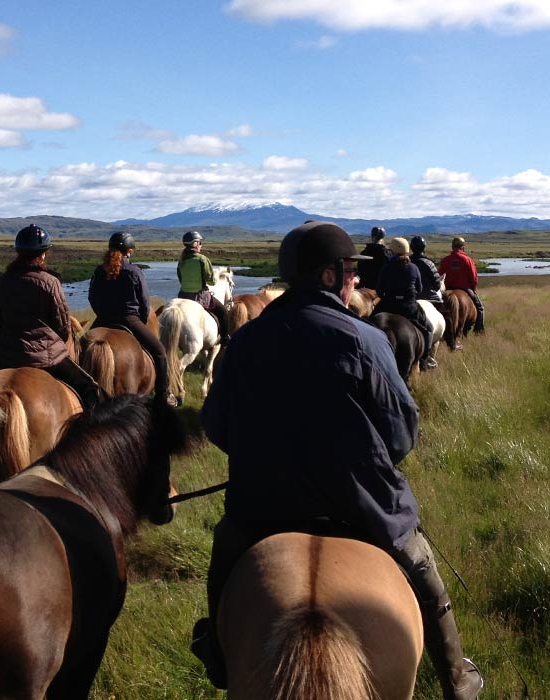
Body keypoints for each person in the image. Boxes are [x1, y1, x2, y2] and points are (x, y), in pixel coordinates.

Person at [191, 221, 483, 700]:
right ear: (328, 276)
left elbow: (218, 427)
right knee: (421, 566)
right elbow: (401, 435)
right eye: (350, 271)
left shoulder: (246, 342)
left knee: (226, 556)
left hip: (264, 506)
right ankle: (456, 678)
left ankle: (219, 655)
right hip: (363, 506)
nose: (355, 280)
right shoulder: (367, 341)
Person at [0, 224, 100, 410]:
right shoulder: (50, 282)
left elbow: (0, 319)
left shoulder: (5, 280)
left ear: (19, 252)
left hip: (6, 353)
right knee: (89, 388)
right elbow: (61, 325)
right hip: (45, 356)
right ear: (43, 253)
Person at [87, 232, 173, 405]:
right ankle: (163, 395)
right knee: (160, 352)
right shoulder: (134, 271)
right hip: (130, 321)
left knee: (82, 350)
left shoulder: (99, 271)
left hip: (102, 321)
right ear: (130, 251)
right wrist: (139, 320)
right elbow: (144, 302)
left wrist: (102, 314)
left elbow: (92, 298)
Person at [374, 237, 435, 367]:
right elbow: (419, 289)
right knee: (428, 328)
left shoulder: (386, 267)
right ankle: (424, 359)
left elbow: (379, 290)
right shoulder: (413, 268)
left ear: (393, 251)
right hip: (409, 307)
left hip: (388, 305)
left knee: (370, 322)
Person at [176, 230, 230, 344]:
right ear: (195, 244)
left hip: (183, 296)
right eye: (200, 242)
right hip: (200, 296)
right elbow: (211, 281)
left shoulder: (181, 261)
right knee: (223, 312)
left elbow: (181, 280)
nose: (201, 245)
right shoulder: (202, 259)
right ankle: (225, 338)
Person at [438, 237, 486, 334]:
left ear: (452, 247)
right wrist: (473, 289)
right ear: (463, 247)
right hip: (465, 288)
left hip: (448, 289)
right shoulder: (467, 260)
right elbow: (474, 277)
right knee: (480, 307)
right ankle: (479, 330)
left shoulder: (445, 260)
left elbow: (439, 276)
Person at [411, 235, 444, 304]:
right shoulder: (429, 263)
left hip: (411, 298)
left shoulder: (406, 263)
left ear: (411, 247)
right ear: (423, 247)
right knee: (444, 310)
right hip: (429, 297)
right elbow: (437, 285)